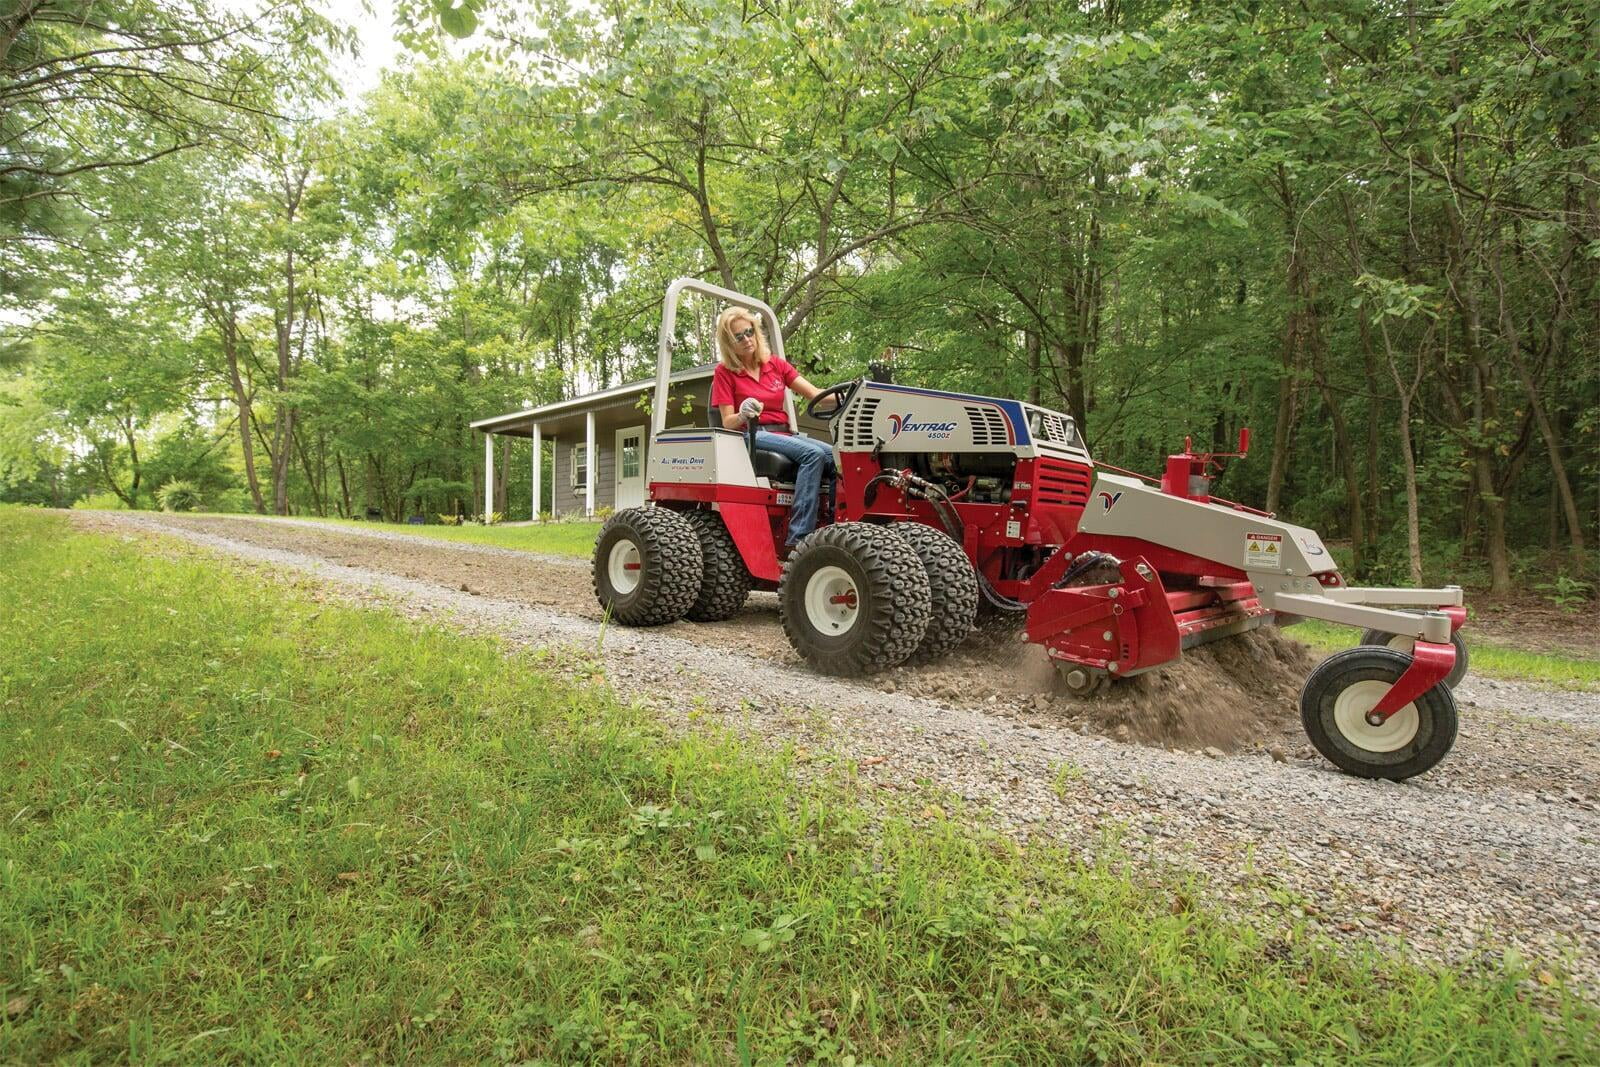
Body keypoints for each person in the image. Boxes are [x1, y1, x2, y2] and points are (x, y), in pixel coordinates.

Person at [709, 306, 834, 547]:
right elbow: (727, 421)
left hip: (783, 432)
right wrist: (744, 413)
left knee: (836, 457)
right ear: (729, 343)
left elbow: (815, 394)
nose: (747, 339)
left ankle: (830, 527)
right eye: (739, 336)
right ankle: (798, 541)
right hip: (750, 434)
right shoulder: (724, 372)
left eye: (749, 332)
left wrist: (850, 395)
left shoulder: (776, 365)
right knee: (813, 455)